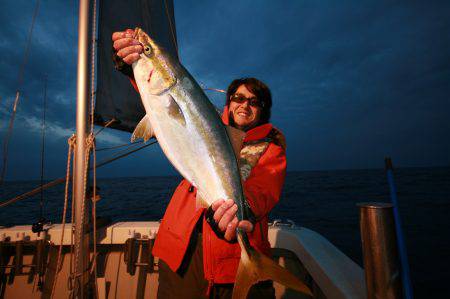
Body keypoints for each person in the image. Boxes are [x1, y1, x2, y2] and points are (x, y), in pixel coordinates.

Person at [112, 29, 287, 299]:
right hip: (180, 253)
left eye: (255, 101)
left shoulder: (270, 147)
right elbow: (170, 98)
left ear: (263, 109)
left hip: (227, 259)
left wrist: (240, 212)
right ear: (229, 102)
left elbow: (264, 189)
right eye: (239, 98)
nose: (245, 105)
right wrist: (132, 63)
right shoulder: (210, 124)